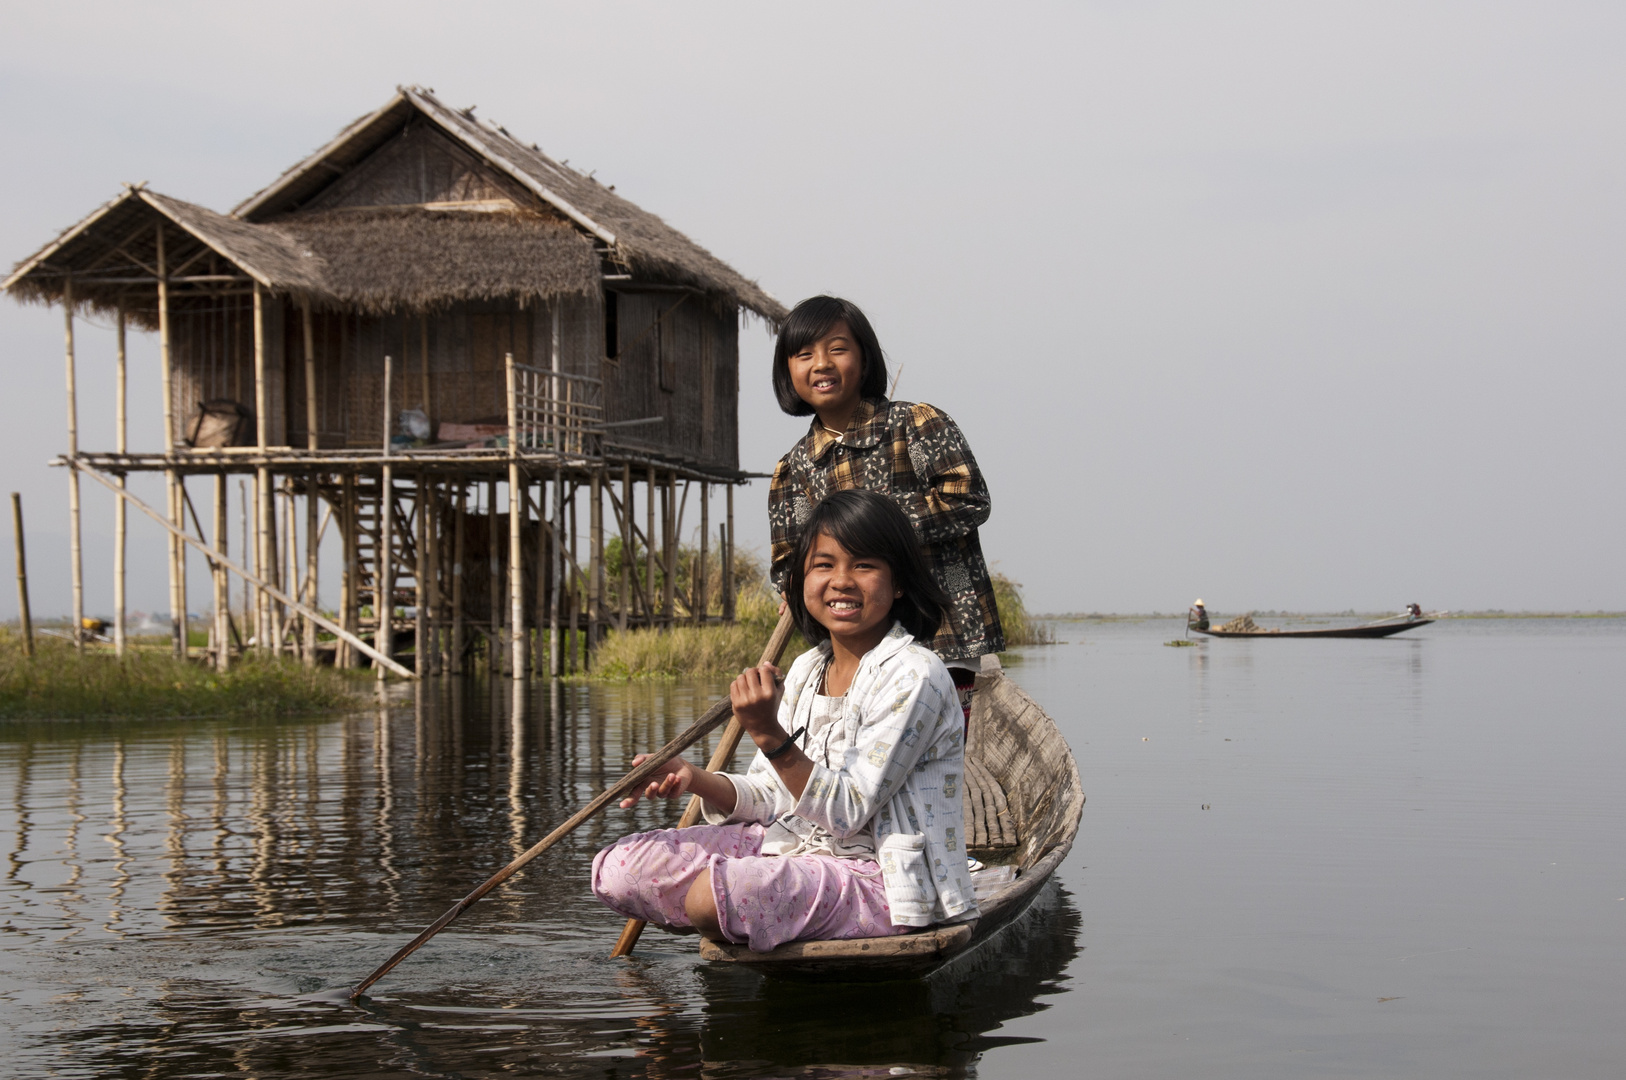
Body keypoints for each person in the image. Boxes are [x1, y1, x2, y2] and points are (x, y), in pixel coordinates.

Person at [592, 490, 978, 952]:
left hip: (883, 881)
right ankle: (746, 915)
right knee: (619, 870)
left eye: (864, 565)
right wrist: (693, 777)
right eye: (824, 565)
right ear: (800, 583)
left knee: (712, 898)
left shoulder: (916, 674)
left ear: (898, 584)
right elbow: (772, 795)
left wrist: (768, 733)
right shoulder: (806, 669)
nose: (842, 581)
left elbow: (847, 811)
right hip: (791, 847)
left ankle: (737, 912)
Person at [767, 295, 1002, 727]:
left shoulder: (916, 423)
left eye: (837, 349)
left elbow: (967, 497)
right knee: (859, 766)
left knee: (934, 758)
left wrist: (876, 528)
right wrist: (796, 584)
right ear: (789, 372)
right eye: (804, 355)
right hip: (853, 647)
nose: (821, 364)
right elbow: (788, 562)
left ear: (864, 358)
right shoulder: (793, 469)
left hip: (942, 633)